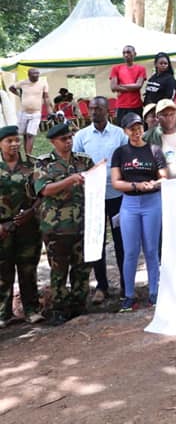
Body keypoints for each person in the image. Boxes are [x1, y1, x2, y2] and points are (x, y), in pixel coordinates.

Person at [33, 123, 96, 325]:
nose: (68, 141)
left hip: (82, 224)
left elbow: (95, 183)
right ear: (53, 142)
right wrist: (70, 180)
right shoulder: (44, 163)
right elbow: (44, 190)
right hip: (56, 228)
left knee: (82, 268)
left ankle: (79, 306)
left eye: (70, 137)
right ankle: (59, 309)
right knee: (59, 270)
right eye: (63, 139)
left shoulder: (83, 160)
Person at [73, 96, 127, 302]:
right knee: (97, 241)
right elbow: (77, 164)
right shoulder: (82, 136)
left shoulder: (119, 134)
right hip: (93, 197)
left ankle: (125, 283)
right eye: (91, 109)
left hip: (117, 195)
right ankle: (102, 286)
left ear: (108, 111)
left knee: (121, 240)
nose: (94, 112)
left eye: (98, 108)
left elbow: (125, 159)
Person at [111, 113, 167, 312]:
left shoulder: (154, 150)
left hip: (152, 202)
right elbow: (116, 182)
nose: (136, 132)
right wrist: (135, 185)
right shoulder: (120, 152)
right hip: (130, 204)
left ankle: (154, 292)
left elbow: (163, 178)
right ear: (125, 131)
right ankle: (128, 295)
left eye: (138, 128)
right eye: (131, 129)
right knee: (131, 251)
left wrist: (152, 184)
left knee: (151, 250)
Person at [0, 125, 43, 326]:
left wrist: (31, 211)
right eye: (9, 141)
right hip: (2, 230)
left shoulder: (32, 165)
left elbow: (43, 195)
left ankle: (32, 309)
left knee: (28, 270)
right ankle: (3, 314)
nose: (15, 144)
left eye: (16, 140)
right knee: (3, 271)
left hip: (28, 228)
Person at [8, 68, 54, 156]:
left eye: (37, 74)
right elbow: (11, 87)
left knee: (30, 134)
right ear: (29, 75)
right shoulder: (23, 82)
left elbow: (46, 97)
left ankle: (29, 156)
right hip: (23, 112)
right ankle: (20, 155)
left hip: (36, 113)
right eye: (34, 74)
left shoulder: (43, 83)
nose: (36, 75)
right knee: (22, 135)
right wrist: (19, 94)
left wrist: (49, 111)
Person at [146, 99, 176, 179]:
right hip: (161, 185)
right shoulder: (148, 137)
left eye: (172, 114)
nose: (169, 118)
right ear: (157, 117)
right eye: (164, 115)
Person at [110, 45, 147, 122]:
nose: (126, 55)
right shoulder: (116, 69)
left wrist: (119, 86)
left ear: (135, 54)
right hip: (121, 106)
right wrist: (132, 87)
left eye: (128, 52)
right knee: (122, 130)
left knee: (137, 130)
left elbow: (138, 86)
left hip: (136, 105)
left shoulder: (141, 69)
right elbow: (113, 87)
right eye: (124, 53)